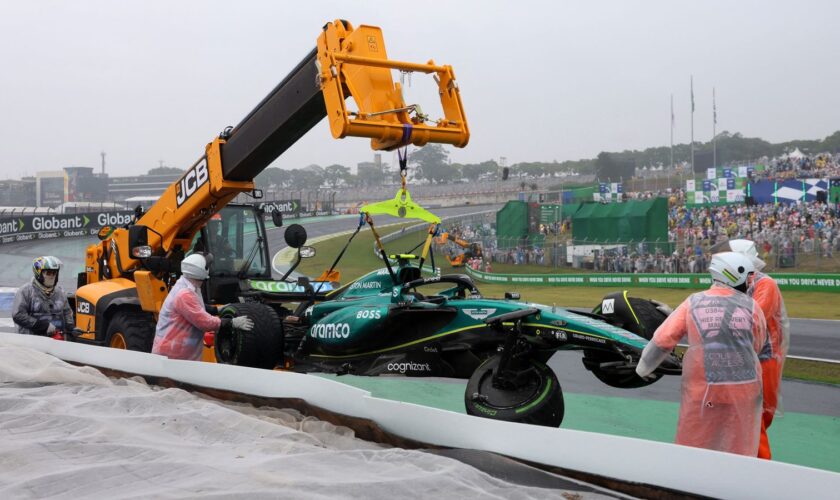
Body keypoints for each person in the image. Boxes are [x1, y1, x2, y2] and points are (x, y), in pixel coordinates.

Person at [636, 252, 768, 456]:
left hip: (704, 393)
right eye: (748, 276)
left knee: (693, 449)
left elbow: (662, 339)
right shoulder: (754, 307)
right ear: (735, 274)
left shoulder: (694, 302)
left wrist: (643, 369)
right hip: (744, 392)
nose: (750, 282)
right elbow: (758, 345)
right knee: (740, 451)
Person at [713, 239, 790, 459]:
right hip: (738, 358)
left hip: (764, 359)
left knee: (760, 416)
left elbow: (754, 317)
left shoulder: (766, 284)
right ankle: (751, 461)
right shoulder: (729, 284)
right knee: (748, 418)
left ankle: (757, 467)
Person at [152, 253, 253, 360]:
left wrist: (216, 310)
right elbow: (205, 323)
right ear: (200, 270)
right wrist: (231, 322)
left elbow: (194, 307)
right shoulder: (185, 294)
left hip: (176, 350)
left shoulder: (185, 284)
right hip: (173, 354)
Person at [12, 256, 75, 337]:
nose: (52, 276)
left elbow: (67, 312)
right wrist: (42, 326)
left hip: (56, 340)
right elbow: (18, 315)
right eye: (48, 273)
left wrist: (71, 328)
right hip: (30, 341)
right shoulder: (26, 291)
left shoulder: (60, 292)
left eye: (54, 273)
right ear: (39, 273)